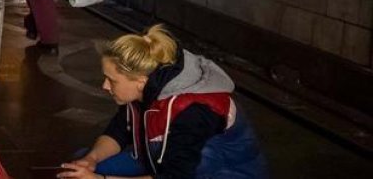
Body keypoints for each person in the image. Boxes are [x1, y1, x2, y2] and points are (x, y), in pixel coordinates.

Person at [59, 25, 269, 179]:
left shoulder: (193, 111)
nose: (105, 86)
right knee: (79, 165)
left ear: (140, 81)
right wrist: (92, 159)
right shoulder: (147, 88)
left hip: (219, 173)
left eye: (112, 80)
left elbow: (175, 176)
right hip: (163, 160)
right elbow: (120, 130)